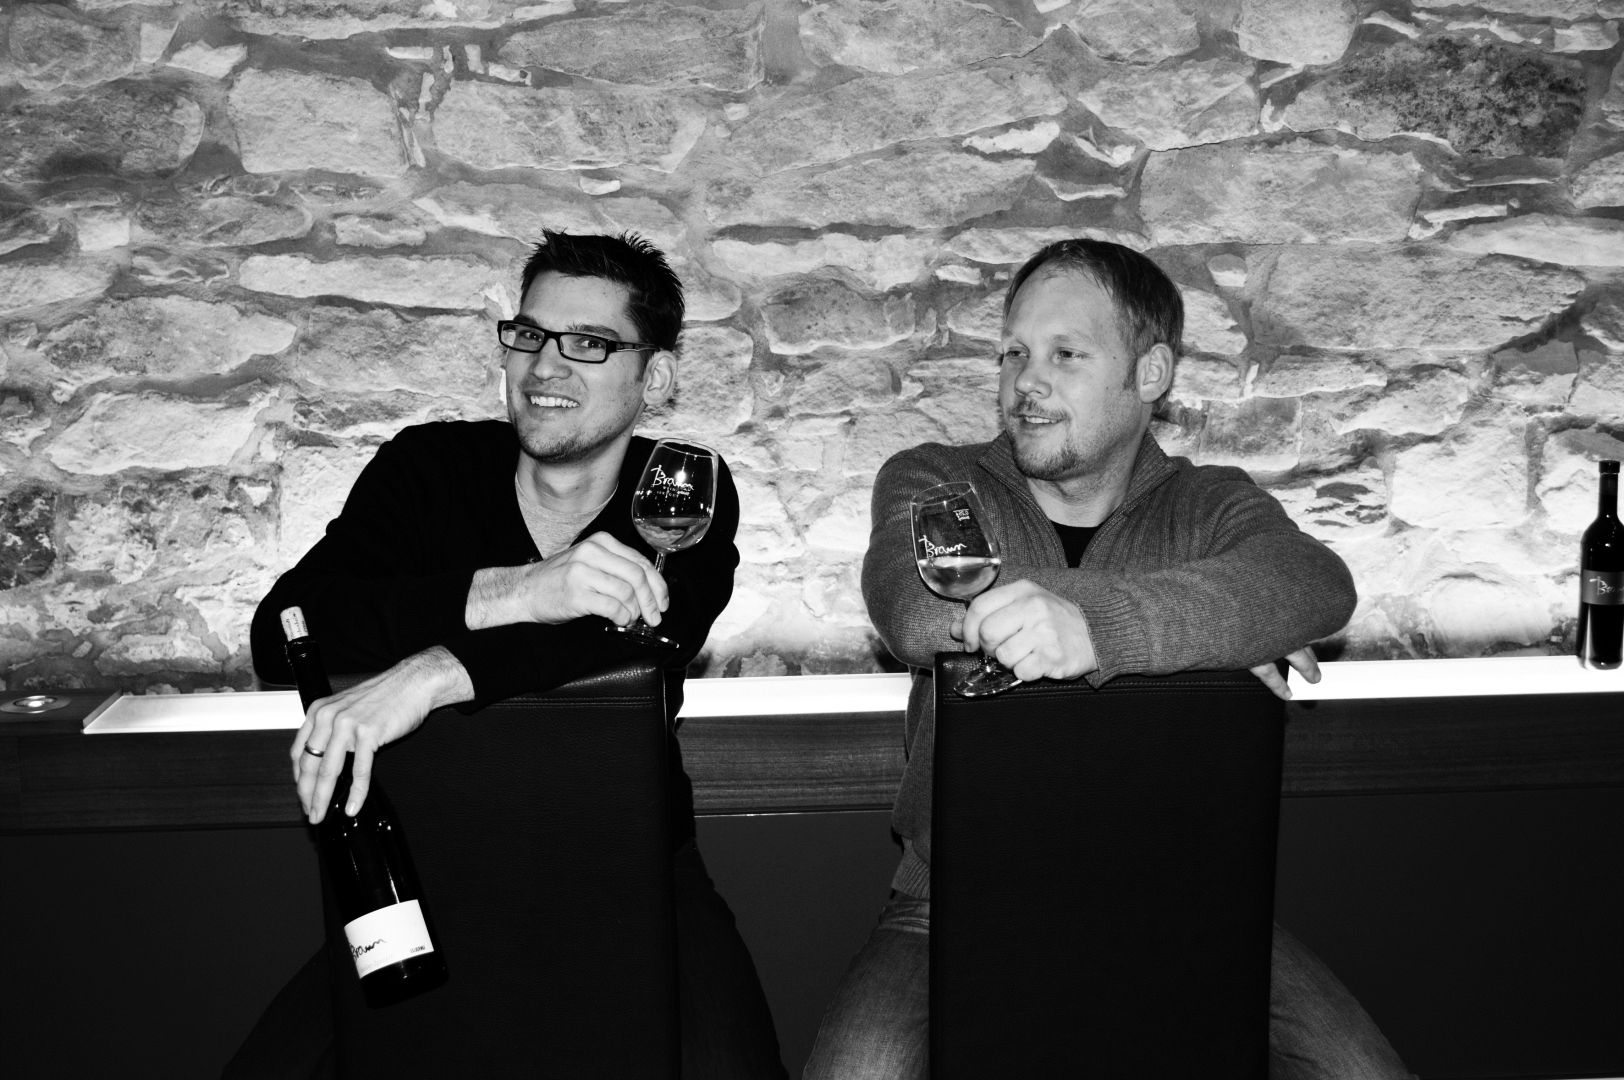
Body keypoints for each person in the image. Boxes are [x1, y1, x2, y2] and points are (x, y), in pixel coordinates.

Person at [804, 239, 1411, 1079]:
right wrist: (1211, 624)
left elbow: (1314, 585)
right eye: (1014, 353)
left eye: (1066, 354)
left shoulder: (1209, 501)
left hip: (1184, 899)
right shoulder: (937, 482)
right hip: (952, 899)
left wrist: (1102, 628)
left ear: (1150, 372)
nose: (1026, 381)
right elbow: (917, 610)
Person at [231, 230, 784, 1079]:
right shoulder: (429, 469)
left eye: (588, 343)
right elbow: (284, 629)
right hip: (427, 876)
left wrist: (433, 674)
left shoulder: (678, 489)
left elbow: (648, 640)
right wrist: (518, 591)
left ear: (656, 378)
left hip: (633, 867)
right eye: (529, 334)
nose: (544, 365)